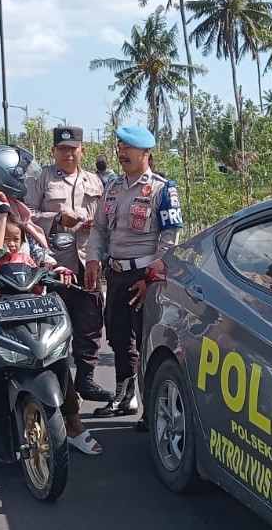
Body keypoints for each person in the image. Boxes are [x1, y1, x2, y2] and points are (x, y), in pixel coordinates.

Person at [0, 144, 102, 484]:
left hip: (30, 298)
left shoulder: (23, 212)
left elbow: (40, 252)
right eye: (20, 176)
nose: (27, 180)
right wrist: (1, 213)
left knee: (56, 356)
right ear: (3, 177)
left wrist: (56, 268)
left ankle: (72, 426)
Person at [85, 126, 183, 427]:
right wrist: (92, 258)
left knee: (145, 341)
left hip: (145, 277)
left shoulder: (161, 189)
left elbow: (170, 238)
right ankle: (125, 396)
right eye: (120, 146)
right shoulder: (112, 187)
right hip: (116, 274)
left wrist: (151, 278)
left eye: (128, 148)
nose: (122, 152)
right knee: (117, 337)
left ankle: (151, 409)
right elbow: (100, 229)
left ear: (146, 152)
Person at [24, 126, 109, 402]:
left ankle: (85, 381)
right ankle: (58, 384)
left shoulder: (95, 182)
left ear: (82, 150)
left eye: (73, 149)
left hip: (88, 263)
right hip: (54, 267)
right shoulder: (42, 180)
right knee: (52, 328)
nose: (68, 155)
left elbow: (107, 220)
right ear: (53, 152)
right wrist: (57, 219)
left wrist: (93, 225)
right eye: (62, 150)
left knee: (90, 325)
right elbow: (25, 218)